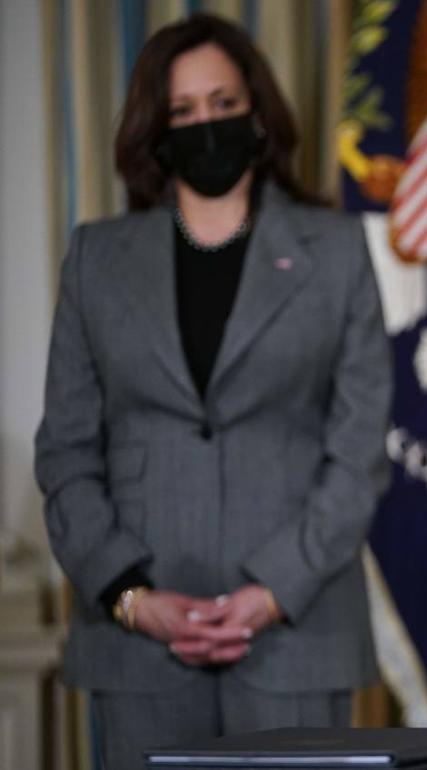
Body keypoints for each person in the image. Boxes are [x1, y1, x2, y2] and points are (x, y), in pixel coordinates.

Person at [34, 14, 391, 769]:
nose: (206, 126)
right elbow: (66, 452)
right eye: (184, 112)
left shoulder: (334, 251)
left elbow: (358, 451)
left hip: (297, 634)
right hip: (137, 647)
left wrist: (271, 590)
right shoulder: (97, 258)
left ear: (258, 114)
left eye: (223, 105)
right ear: (155, 132)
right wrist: (132, 597)